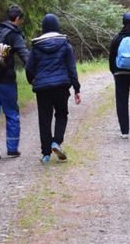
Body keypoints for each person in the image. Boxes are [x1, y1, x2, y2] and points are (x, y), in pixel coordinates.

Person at [26, 13, 81, 164]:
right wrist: (76, 89)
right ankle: (56, 142)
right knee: (61, 114)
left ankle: (46, 155)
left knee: (44, 119)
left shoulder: (36, 47)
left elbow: (29, 68)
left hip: (42, 88)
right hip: (61, 86)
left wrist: (33, 81)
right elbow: (72, 69)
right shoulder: (65, 45)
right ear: (57, 26)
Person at [0, 4, 30, 160]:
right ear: (17, 19)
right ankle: (12, 148)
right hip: (6, 80)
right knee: (11, 114)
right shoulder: (14, 34)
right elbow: (24, 55)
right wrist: (36, 70)